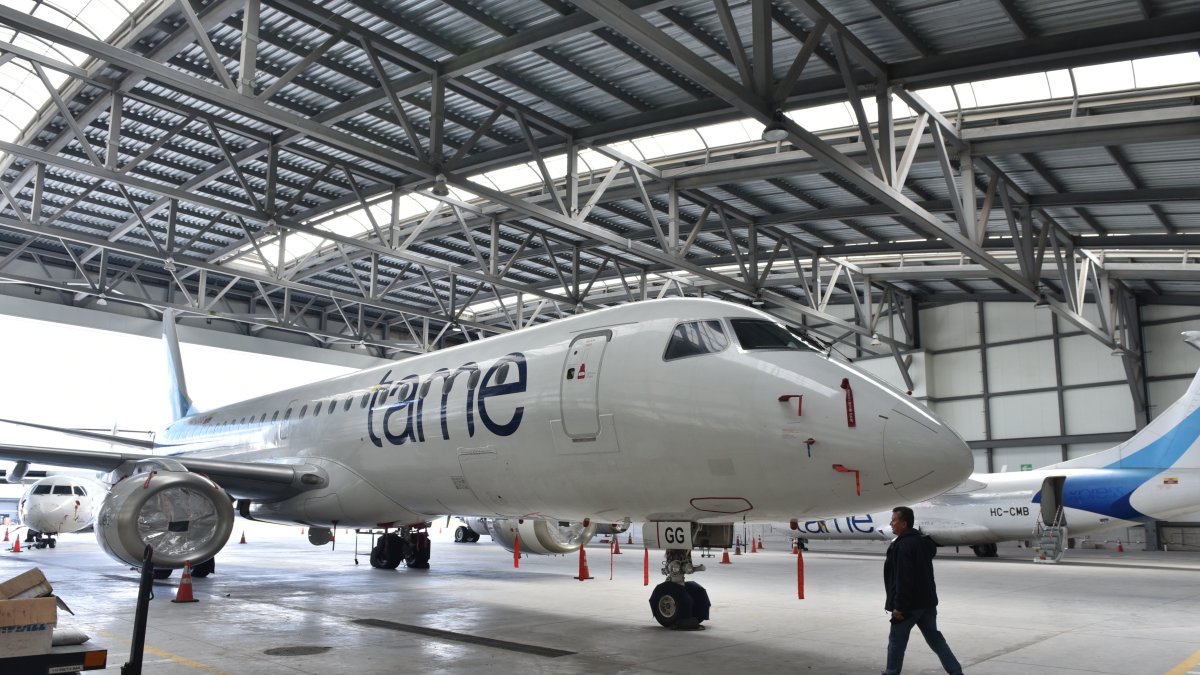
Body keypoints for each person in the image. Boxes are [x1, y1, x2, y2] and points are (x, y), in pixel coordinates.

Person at [882, 506, 963, 675]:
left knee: (896, 642)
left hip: (908, 606)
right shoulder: (922, 542)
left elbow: (903, 578)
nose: (891, 523)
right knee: (935, 639)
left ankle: (891, 673)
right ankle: (956, 672)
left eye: (894, 520)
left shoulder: (903, 545)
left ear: (904, 524)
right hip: (927, 603)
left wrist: (899, 606)